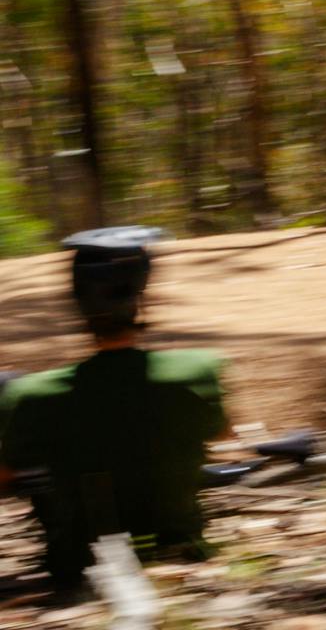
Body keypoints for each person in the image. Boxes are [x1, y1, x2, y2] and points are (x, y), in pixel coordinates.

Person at [0, 226, 228, 592]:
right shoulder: (199, 371)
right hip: (183, 556)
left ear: (76, 301)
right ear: (143, 294)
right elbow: (219, 433)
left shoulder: (31, 395)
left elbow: (4, 478)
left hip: (79, 573)